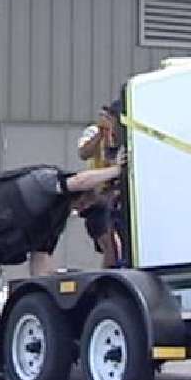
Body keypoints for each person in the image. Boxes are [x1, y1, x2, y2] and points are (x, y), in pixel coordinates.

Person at [0, 160, 126, 380]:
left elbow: (40, 258)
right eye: (85, 200)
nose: (82, 208)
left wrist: (45, 300)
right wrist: (118, 170)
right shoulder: (47, 180)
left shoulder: (56, 218)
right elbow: (79, 180)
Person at [75, 101, 124, 268]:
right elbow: (83, 153)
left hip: (118, 197)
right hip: (98, 198)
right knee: (109, 244)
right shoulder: (95, 132)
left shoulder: (124, 136)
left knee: (119, 245)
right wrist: (101, 134)